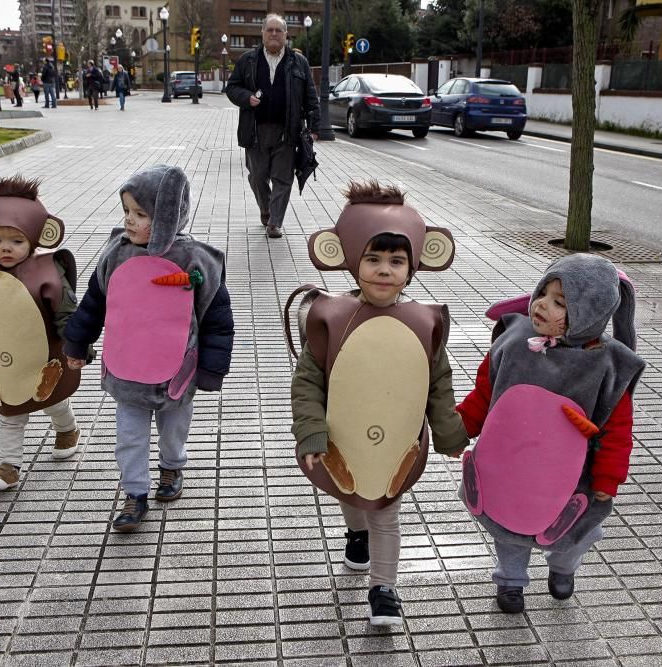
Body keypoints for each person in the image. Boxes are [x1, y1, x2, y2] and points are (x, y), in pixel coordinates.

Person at [289, 181, 467, 625]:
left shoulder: (425, 321)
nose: (383, 270)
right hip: (342, 435)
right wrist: (311, 429)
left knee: (386, 504)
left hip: (396, 441)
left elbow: (437, 382)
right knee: (350, 492)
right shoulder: (329, 316)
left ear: (414, 266)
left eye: (395, 260)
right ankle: (355, 533)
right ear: (348, 258)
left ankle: (383, 588)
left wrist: (447, 430)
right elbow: (307, 381)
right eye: (372, 258)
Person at [456, 254, 646, 614]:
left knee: (571, 530)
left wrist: (608, 477)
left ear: (589, 312)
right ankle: (510, 581)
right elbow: (486, 394)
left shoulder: (606, 365)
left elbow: (617, 431)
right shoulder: (515, 342)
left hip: (571, 475)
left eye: (560, 302)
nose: (542, 305)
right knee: (508, 523)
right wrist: (459, 427)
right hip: (511, 463)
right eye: (542, 293)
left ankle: (563, 567)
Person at [64, 165, 234, 532]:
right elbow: (94, 303)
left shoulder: (195, 260)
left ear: (167, 217)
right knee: (129, 435)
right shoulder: (116, 254)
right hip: (126, 367)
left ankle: (172, 468)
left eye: (140, 214)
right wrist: (77, 341)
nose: (129, 220)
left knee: (174, 430)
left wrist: (212, 368)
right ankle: (134, 494)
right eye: (126, 211)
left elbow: (217, 319)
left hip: (176, 370)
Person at [0, 176, 83, 491]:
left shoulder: (47, 274)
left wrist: (78, 345)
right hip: (4, 361)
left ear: (35, 240)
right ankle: (9, 466)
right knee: (10, 410)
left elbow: (67, 313)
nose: (5, 248)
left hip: (44, 355)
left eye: (16, 241)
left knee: (52, 398)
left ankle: (67, 429)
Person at [225, 14, 320, 239]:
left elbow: (310, 96)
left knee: (282, 179)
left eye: (279, 30)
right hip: (255, 131)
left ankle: (275, 222)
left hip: (287, 131)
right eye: (270, 30)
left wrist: (314, 127)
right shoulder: (248, 60)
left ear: (286, 35)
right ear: (263, 34)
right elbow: (232, 88)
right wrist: (247, 97)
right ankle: (266, 209)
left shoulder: (299, 62)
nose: (274, 34)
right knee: (257, 177)